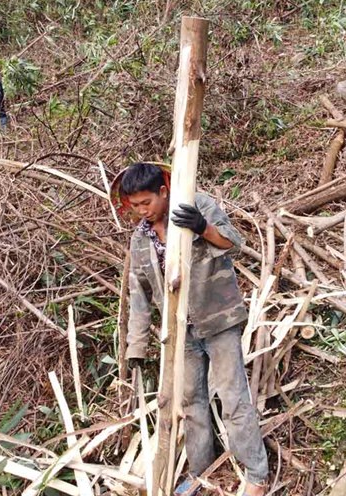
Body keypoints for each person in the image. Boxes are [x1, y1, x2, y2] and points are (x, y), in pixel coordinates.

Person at [116, 162, 268, 496]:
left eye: (146, 202)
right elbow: (139, 296)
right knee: (191, 402)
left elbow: (235, 244)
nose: (141, 211)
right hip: (179, 331)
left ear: (163, 191)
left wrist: (202, 228)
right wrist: (136, 348)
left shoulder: (196, 206)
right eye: (134, 205)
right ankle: (202, 472)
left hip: (219, 318)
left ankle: (256, 474)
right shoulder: (140, 240)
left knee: (233, 399)